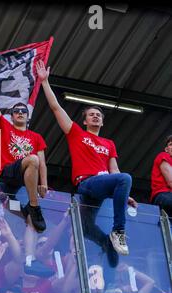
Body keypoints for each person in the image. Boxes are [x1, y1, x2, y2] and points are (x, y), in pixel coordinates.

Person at [36, 60, 137, 256]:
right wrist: (45, 82)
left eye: (98, 115)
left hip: (102, 185)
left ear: (103, 121)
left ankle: (107, 245)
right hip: (87, 183)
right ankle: (118, 230)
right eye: (91, 115)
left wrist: (126, 193)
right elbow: (56, 108)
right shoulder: (76, 133)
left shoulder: (109, 143)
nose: (95, 117)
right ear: (84, 121)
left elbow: (114, 171)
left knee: (86, 227)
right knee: (124, 178)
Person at [0, 64, 54, 277]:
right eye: (16, 111)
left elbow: (43, 164)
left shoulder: (36, 137)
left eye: (23, 111)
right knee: (32, 160)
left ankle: (29, 260)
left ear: (28, 117)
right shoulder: (6, 127)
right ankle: (34, 205)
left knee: (31, 222)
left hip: (13, 196)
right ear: (11, 116)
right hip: (8, 178)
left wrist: (43, 183)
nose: (19, 113)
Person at [150, 135, 172, 218]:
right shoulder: (164, 155)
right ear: (166, 149)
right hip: (163, 195)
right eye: (171, 144)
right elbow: (171, 182)